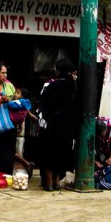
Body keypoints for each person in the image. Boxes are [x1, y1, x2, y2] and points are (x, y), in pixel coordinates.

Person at [37, 59, 78, 191]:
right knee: (61, 156)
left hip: (53, 127)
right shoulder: (75, 87)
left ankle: (48, 183)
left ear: (58, 72)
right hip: (68, 130)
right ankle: (56, 183)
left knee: (49, 155)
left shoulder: (52, 86)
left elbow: (43, 105)